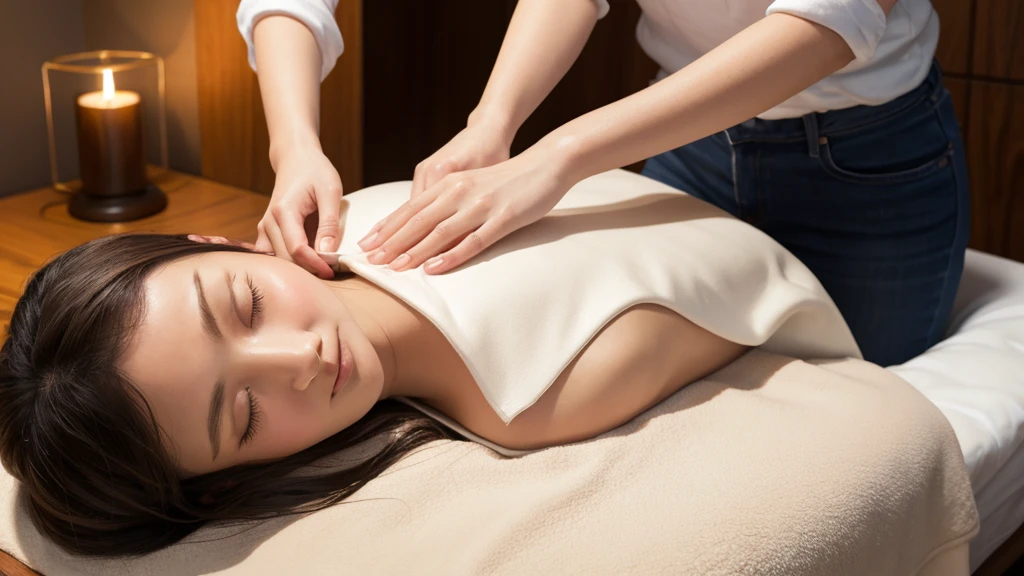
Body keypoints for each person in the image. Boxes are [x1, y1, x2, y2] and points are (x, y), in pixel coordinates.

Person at [0, 173, 859, 556]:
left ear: (213, 241)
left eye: (245, 304)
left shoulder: (365, 214)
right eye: (245, 415)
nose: (302, 357)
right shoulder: (534, 398)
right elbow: (750, 300)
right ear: (225, 483)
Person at [239, 0, 968, 367]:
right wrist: (491, 124)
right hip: (693, 142)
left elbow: (833, 16)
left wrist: (557, 158)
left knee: (861, 393)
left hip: (869, 160)